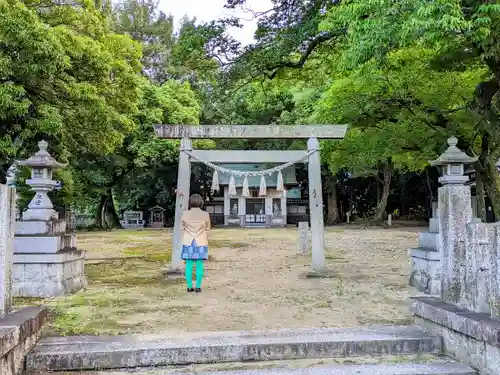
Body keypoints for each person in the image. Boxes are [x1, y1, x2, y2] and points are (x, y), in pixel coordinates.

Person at [180, 194, 211, 293]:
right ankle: (198, 287)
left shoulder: (185, 214)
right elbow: (208, 228)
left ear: (190, 202)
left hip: (188, 241)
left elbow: (182, 227)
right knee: (199, 265)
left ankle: (189, 287)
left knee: (188, 264)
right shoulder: (205, 214)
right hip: (201, 241)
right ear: (201, 202)